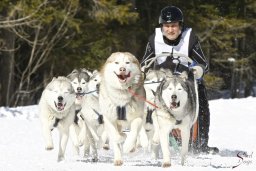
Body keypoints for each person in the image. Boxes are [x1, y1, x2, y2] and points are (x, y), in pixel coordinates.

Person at [140, 5, 219, 154]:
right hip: (165, 84)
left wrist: (199, 69)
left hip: (186, 82)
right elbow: (145, 62)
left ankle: (201, 143)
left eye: (174, 26)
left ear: (180, 26)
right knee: (148, 97)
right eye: (167, 26)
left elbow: (203, 63)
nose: (171, 30)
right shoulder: (153, 40)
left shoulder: (190, 39)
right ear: (162, 27)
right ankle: (152, 138)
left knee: (201, 99)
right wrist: (143, 70)